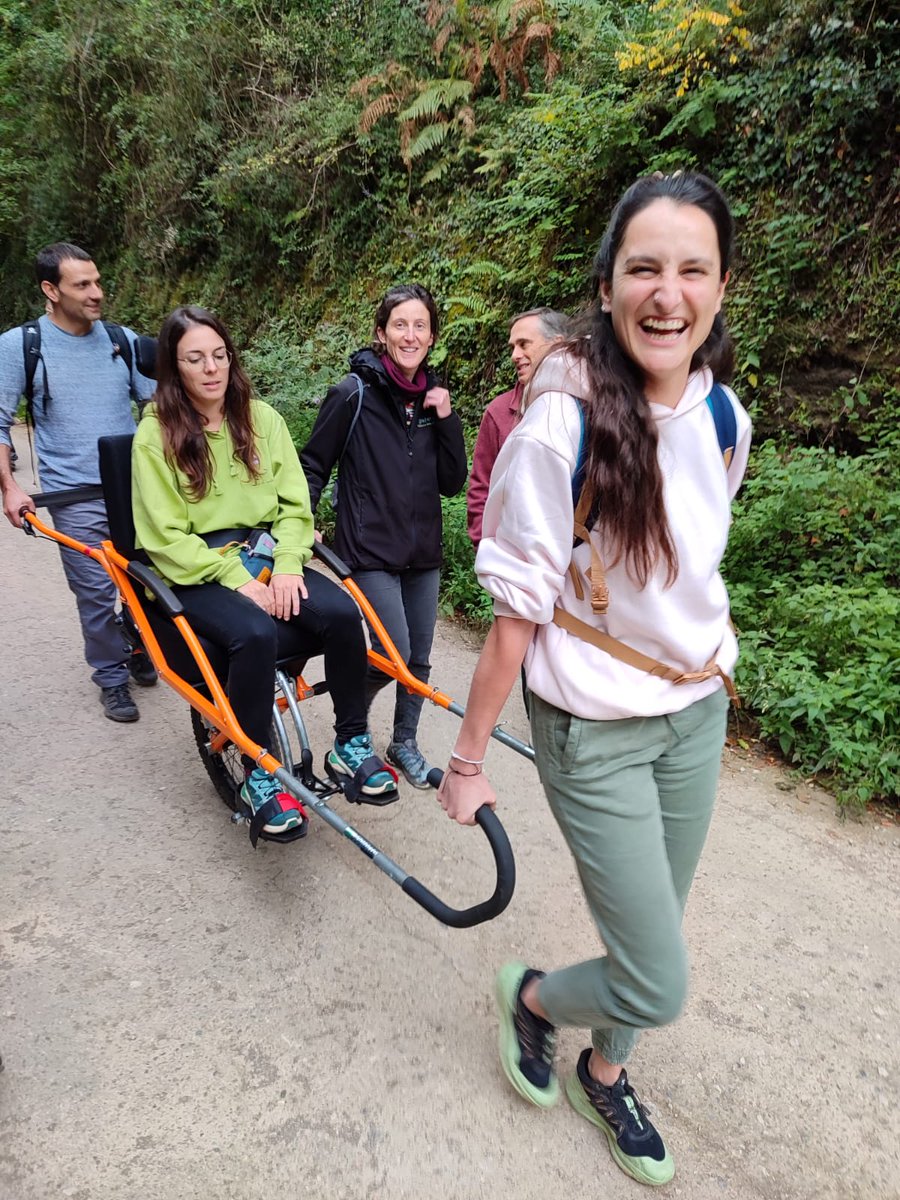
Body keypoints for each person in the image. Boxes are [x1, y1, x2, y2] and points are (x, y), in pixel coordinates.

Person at [437, 172, 751, 1187]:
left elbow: (691, 569)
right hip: (594, 728)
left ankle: (604, 1068)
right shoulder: (558, 431)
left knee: (654, 923)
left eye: (692, 269)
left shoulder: (723, 416)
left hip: (695, 712)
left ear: (722, 287)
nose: (669, 292)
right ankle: (532, 999)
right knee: (657, 973)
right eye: (645, 268)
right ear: (609, 287)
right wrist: (468, 759)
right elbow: (516, 614)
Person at [131, 306, 397, 831]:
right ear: (174, 367)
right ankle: (258, 774)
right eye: (194, 359)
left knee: (344, 614)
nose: (211, 368)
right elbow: (163, 539)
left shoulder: (261, 419)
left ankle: (349, 742)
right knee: (253, 633)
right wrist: (240, 582)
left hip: (267, 552)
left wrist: (289, 566)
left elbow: (295, 507)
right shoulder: (155, 436)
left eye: (219, 355)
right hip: (199, 566)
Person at [300, 284, 468, 788]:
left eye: (420, 325)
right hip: (369, 551)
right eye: (400, 324)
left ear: (432, 335)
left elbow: (453, 481)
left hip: (423, 555)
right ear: (381, 333)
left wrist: (448, 417)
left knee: (416, 659)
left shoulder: (433, 400)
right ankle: (352, 732)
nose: (410, 334)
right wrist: (303, 520)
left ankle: (404, 743)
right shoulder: (353, 394)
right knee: (392, 653)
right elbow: (313, 463)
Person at [0, 243, 158, 722]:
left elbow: (158, 405)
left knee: (149, 581)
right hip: (73, 495)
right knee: (93, 591)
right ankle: (111, 679)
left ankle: (136, 638)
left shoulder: (121, 339)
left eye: (97, 281)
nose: (97, 293)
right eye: (82, 285)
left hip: (137, 489)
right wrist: (10, 487)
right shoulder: (20, 346)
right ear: (51, 290)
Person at [466, 308, 569, 546]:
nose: (514, 355)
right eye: (513, 346)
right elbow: (481, 488)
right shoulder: (499, 412)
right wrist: (484, 547)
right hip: (514, 557)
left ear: (558, 345)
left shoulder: (590, 406)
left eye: (524, 344)